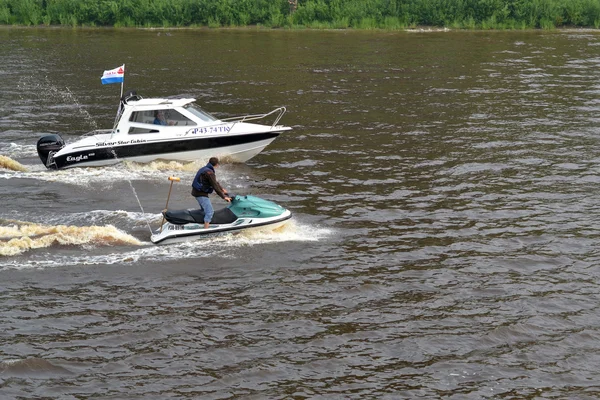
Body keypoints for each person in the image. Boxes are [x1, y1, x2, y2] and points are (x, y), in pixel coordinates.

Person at [191, 157, 231, 229]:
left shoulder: (204, 169)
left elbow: (214, 181)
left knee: (204, 210)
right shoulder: (210, 173)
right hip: (201, 194)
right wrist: (224, 197)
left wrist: (222, 189)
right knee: (210, 212)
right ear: (216, 165)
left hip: (196, 192)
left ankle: (198, 222)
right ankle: (205, 230)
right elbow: (215, 186)